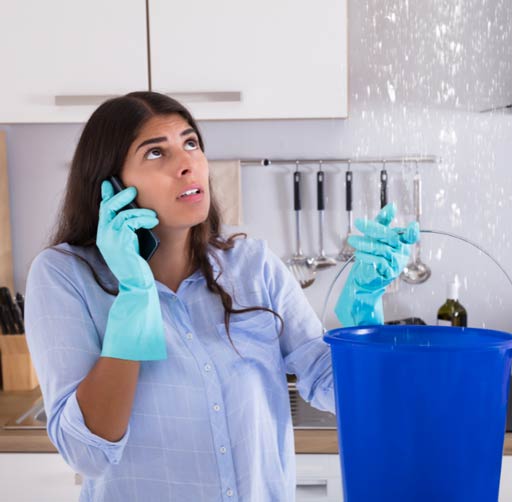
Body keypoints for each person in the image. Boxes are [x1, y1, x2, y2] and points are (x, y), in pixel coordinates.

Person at [23, 91, 417, 501]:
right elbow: (89, 454)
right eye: (156, 153)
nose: (186, 163)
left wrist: (364, 319)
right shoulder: (64, 276)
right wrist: (135, 298)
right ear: (111, 186)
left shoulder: (253, 267)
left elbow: (344, 393)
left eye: (190, 143)